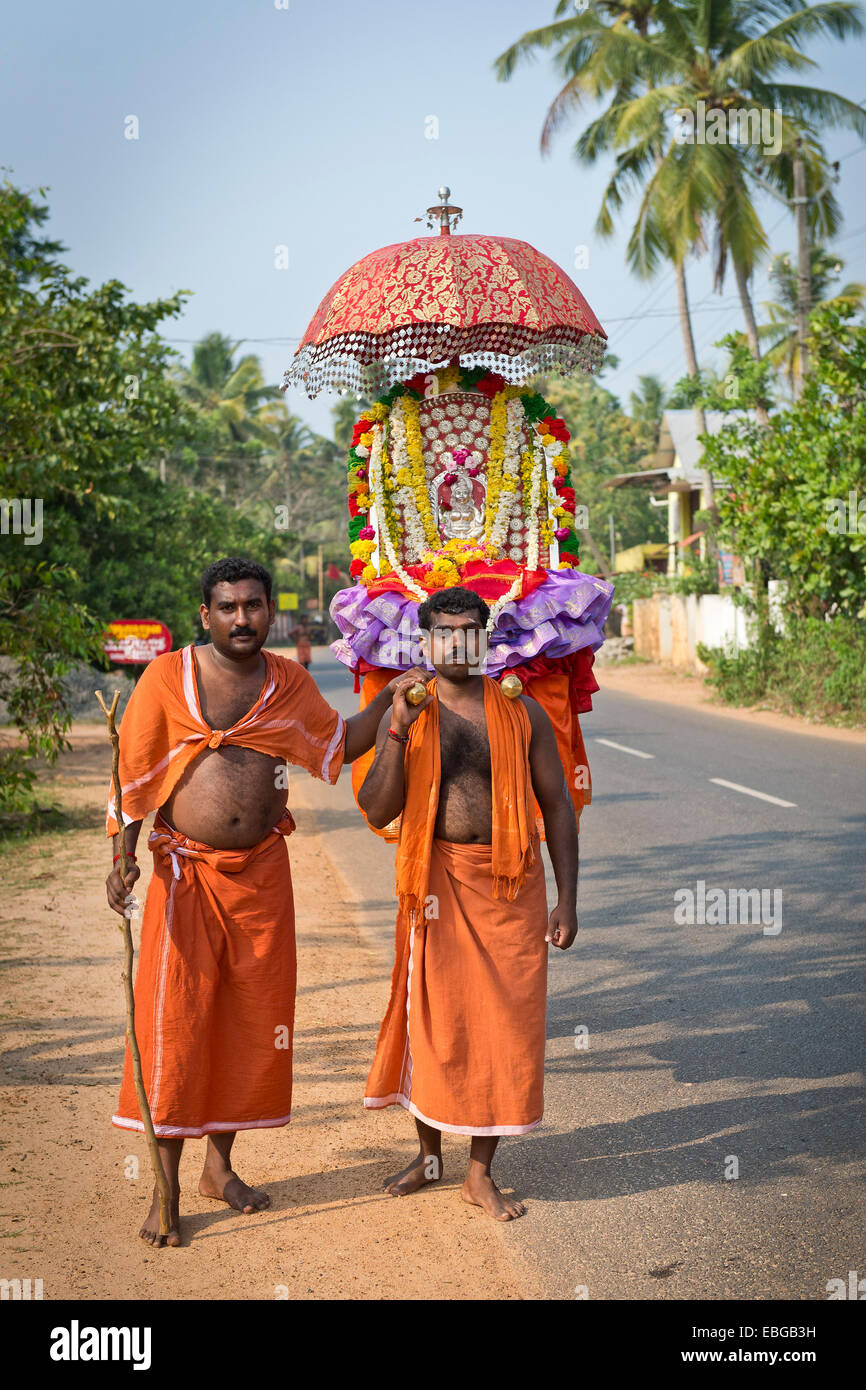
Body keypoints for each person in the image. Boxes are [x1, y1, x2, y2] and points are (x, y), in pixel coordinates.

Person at [104, 555, 426, 1248]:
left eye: (254, 605)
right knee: (177, 1024)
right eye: (228, 607)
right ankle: (165, 1189)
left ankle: (220, 1170)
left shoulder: (287, 682)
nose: (243, 618)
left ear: (270, 611)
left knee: (252, 1020)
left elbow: (337, 743)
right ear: (206, 615)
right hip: (185, 878)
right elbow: (133, 769)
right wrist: (120, 857)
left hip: (261, 877)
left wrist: (391, 702)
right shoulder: (167, 678)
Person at [358, 586, 579, 1221]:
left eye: (469, 631)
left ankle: (479, 1173)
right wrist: (395, 731)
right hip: (433, 885)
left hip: (512, 887)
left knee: (505, 1028)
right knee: (433, 1025)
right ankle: (429, 1155)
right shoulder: (406, 706)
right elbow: (377, 808)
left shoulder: (522, 714)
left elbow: (558, 805)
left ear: (486, 638)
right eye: (444, 632)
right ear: (426, 642)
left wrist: (569, 900)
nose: (457, 643)